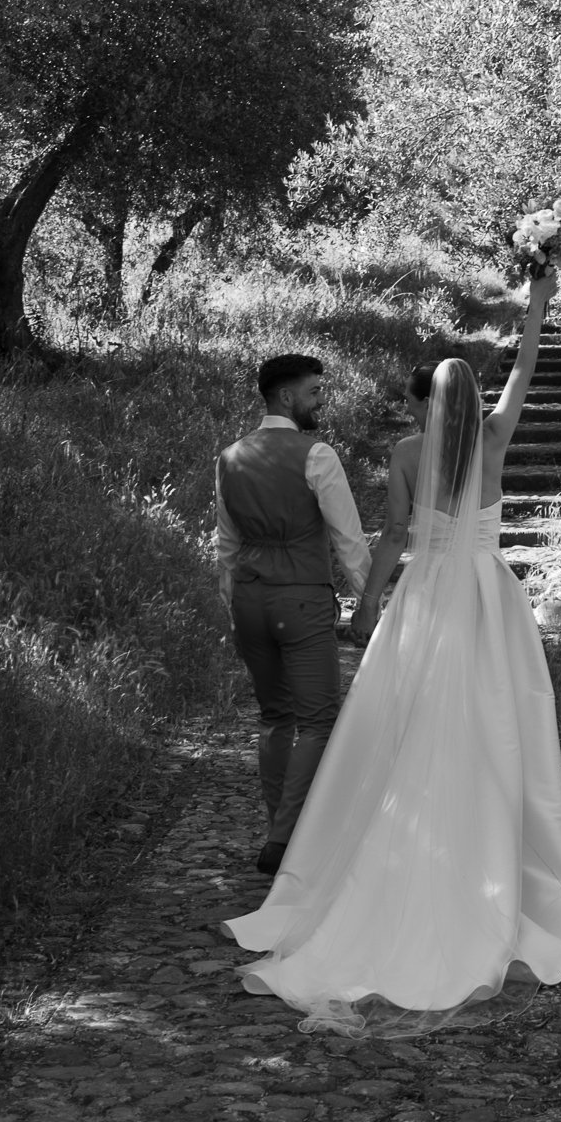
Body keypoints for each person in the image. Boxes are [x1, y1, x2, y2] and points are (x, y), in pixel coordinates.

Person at [225, 273, 561, 1030]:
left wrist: (367, 606)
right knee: (495, 718)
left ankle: (388, 850)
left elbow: (391, 535)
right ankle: (493, 851)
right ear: (475, 402)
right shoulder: (494, 437)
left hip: (425, 596)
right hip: (487, 597)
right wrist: (537, 303)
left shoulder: (407, 450)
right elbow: (521, 369)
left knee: (403, 719)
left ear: (427, 401)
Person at [216, 353, 372, 877]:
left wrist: (233, 605)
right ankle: (285, 839)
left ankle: (277, 827)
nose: (319, 400)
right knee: (319, 720)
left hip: (249, 600)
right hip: (301, 600)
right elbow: (348, 540)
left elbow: (227, 544)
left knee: (275, 717)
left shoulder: (230, 456)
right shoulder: (317, 455)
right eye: (313, 392)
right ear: (286, 397)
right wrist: (371, 604)